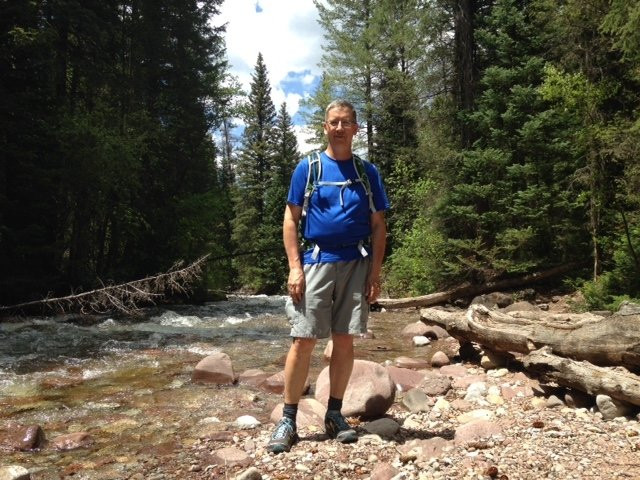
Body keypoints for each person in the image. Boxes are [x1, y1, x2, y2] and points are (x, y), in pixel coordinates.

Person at [267, 99, 390, 454]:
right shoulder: (308, 168)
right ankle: (288, 419)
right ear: (325, 127)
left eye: (346, 122)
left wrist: (375, 275)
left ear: (355, 129)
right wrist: (294, 266)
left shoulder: (367, 173)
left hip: (356, 263)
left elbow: (379, 225)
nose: (339, 128)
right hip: (316, 262)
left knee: (345, 340)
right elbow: (291, 219)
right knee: (303, 340)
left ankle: (334, 414)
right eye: (333, 122)